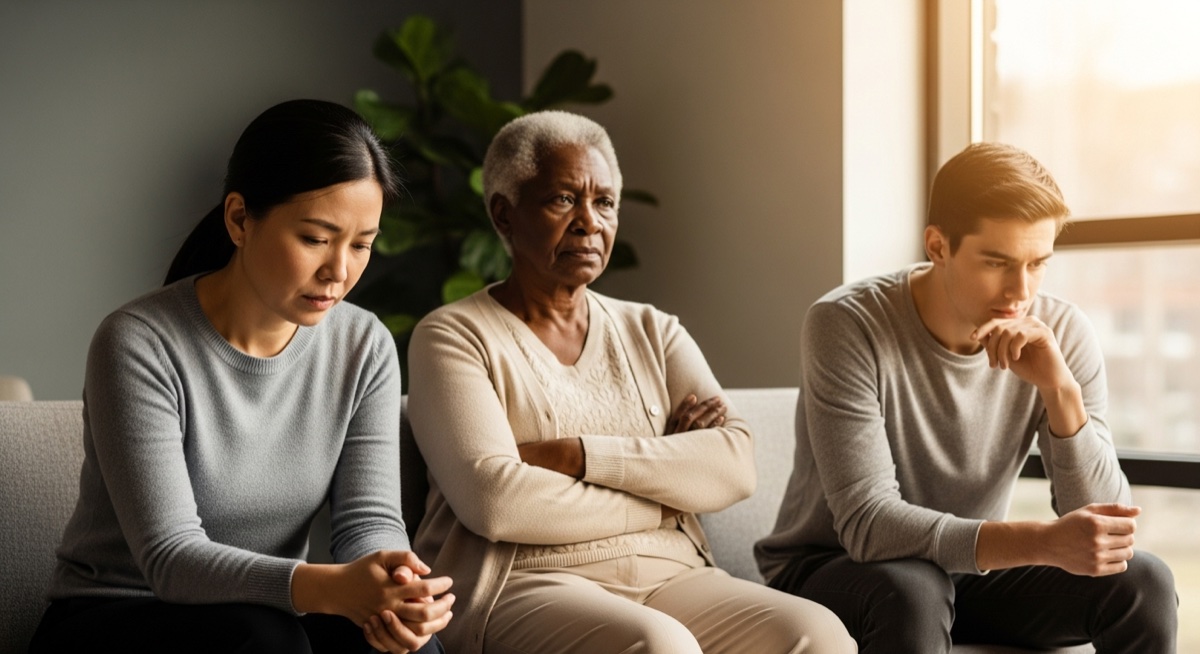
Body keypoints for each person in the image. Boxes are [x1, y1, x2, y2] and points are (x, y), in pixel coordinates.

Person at [404, 110, 856, 654]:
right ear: (504, 214)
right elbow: (496, 503)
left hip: (672, 574)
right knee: (659, 646)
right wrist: (664, 495)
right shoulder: (452, 336)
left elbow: (734, 464)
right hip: (523, 581)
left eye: (605, 202)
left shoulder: (654, 330)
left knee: (818, 634)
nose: (589, 222)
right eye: (563, 199)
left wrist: (578, 456)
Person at [29, 99, 452, 654]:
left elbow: (367, 522)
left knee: (399, 648)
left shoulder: (364, 344)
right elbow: (171, 557)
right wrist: (324, 587)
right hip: (117, 612)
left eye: (362, 245)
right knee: (268, 640)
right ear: (239, 219)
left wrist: (396, 589)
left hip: (266, 611)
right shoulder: (138, 342)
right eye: (315, 239)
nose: (339, 271)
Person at [755, 142, 1178, 653]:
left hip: (966, 571)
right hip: (836, 569)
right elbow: (868, 524)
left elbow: (1106, 536)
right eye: (997, 262)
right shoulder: (847, 324)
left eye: (1038, 264)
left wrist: (1060, 392)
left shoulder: (1059, 330)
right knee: (913, 589)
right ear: (938, 246)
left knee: (1143, 584)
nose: (1020, 291)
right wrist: (1041, 542)